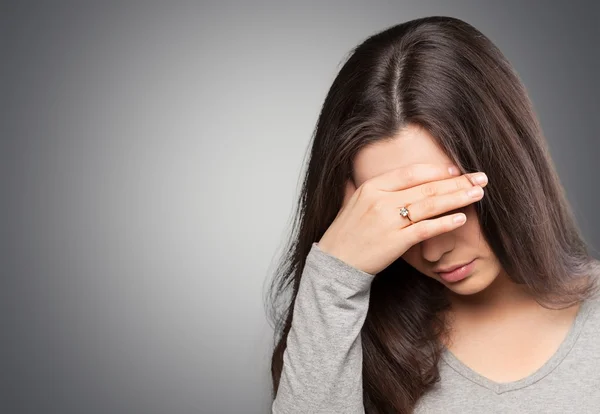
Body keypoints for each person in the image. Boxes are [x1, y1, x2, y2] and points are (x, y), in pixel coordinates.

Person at [266, 15, 600, 414]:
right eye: (400, 215)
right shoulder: (351, 337)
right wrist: (334, 275)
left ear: (511, 167)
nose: (433, 249)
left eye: (452, 203)